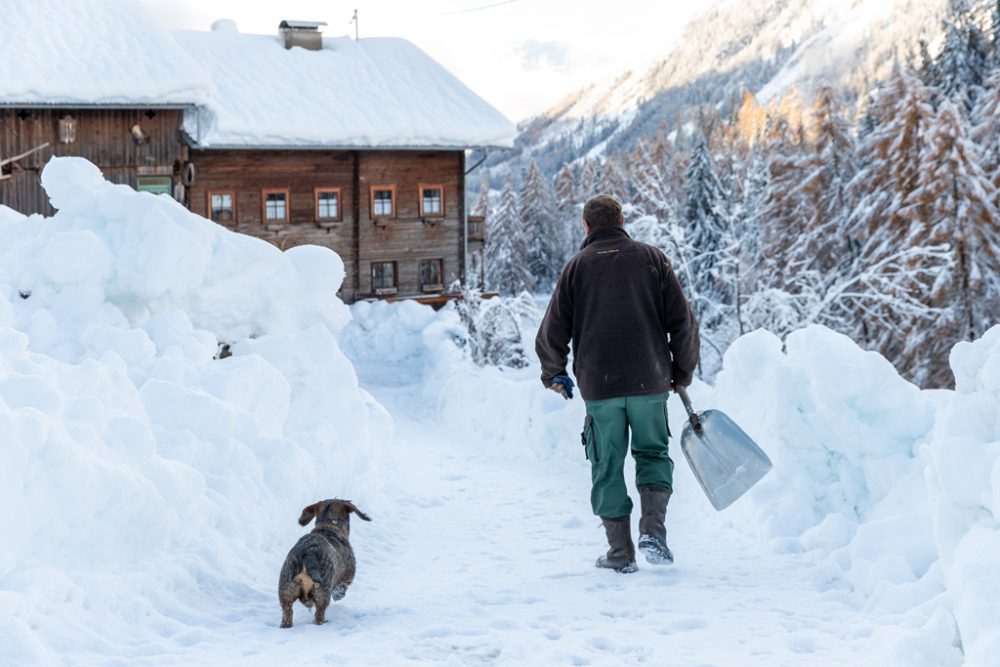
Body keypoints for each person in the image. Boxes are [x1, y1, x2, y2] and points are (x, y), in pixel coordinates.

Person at [535, 194, 700, 573]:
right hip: (650, 381)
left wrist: (553, 372)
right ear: (622, 220)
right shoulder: (652, 259)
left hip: (601, 386)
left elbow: (551, 331)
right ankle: (653, 532)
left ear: (586, 227)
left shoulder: (576, 268)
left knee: (606, 466)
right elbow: (684, 323)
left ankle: (620, 553)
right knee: (653, 454)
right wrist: (682, 372)